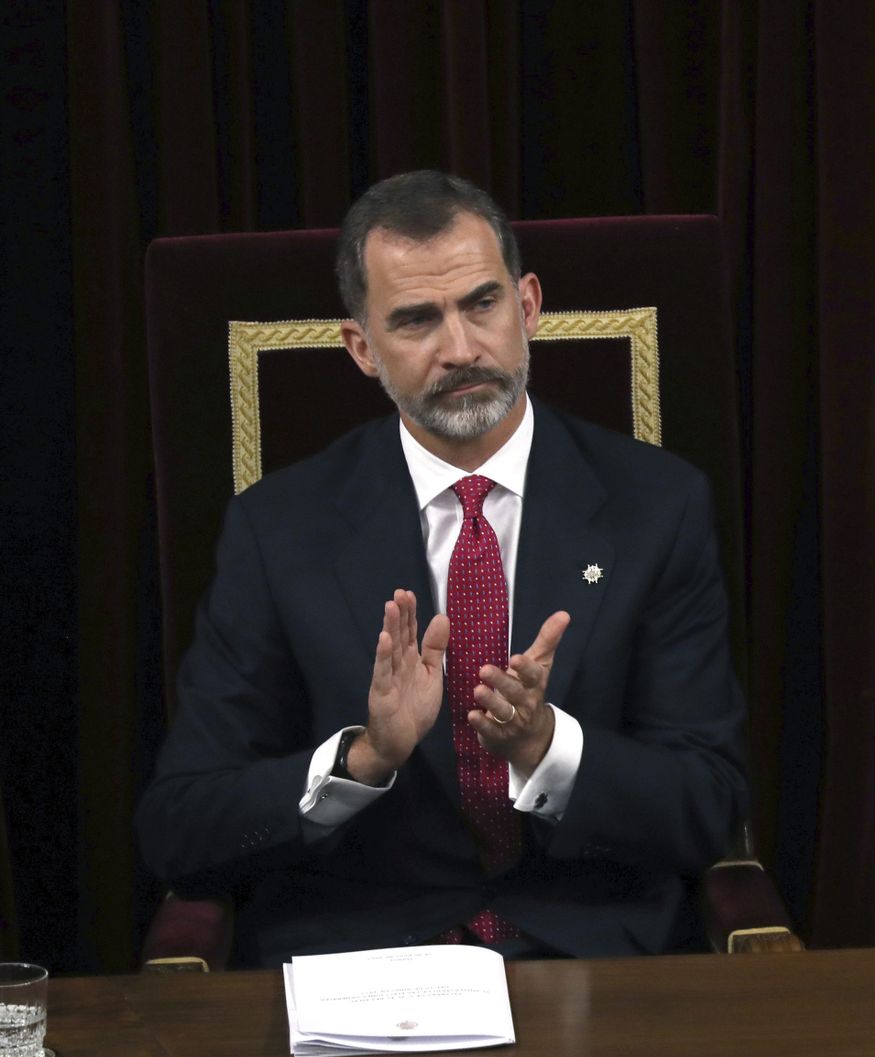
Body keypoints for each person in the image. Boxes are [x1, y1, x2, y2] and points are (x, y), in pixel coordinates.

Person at [137, 170, 747, 965]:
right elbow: (180, 825)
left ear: (528, 305)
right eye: (417, 320)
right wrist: (364, 759)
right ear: (362, 348)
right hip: (363, 963)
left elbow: (709, 804)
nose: (460, 349)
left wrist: (546, 746)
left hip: (595, 959)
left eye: (482, 304)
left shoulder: (658, 508)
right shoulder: (278, 529)